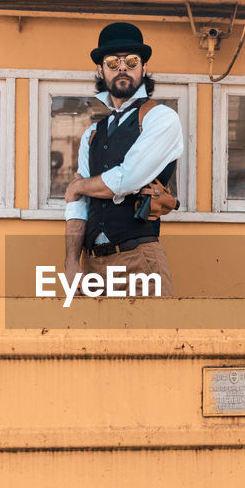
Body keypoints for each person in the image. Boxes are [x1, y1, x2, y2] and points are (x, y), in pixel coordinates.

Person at [64, 22, 183, 294]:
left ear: (144, 68)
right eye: (112, 62)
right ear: (100, 69)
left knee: (149, 337)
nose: (122, 68)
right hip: (91, 264)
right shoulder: (92, 134)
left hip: (138, 260)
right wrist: (71, 262)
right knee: (88, 339)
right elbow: (77, 207)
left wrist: (78, 186)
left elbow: (125, 180)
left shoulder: (161, 118)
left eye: (131, 60)